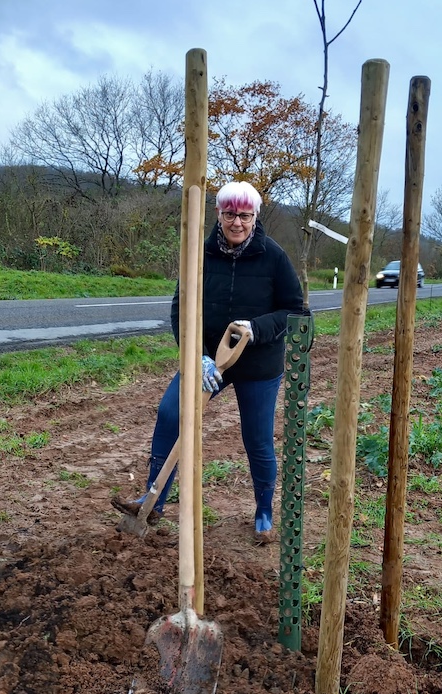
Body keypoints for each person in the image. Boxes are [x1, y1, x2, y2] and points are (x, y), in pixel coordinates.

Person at [113, 180, 304, 543]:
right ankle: (153, 500)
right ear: (219, 213)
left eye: (244, 215)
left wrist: (256, 328)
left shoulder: (274, 256)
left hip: (258, 364)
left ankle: (264, 511)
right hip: (209, 360)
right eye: (230, 214)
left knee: (257, 438)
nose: (237, 222)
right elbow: (180, 308)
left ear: (255, 216)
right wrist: (197, 356)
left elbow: (294, 310)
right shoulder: (200, 253)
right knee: (171, 413)